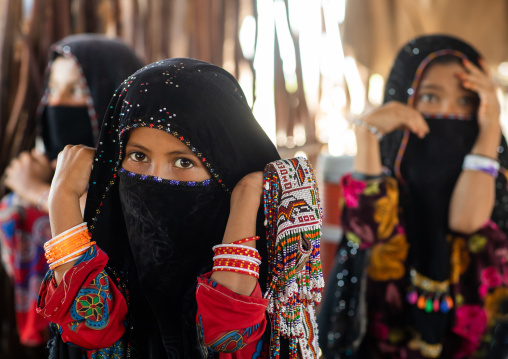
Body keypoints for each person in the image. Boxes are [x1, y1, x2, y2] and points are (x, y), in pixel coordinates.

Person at [36, 58, 323, 358]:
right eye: (138, 156)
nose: (155, 178)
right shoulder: (114, 258)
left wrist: (247, 195)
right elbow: (91, 327)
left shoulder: (265, 272)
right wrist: (62, 195)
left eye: (184, 162)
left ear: (224, 170)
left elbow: (227, 338)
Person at [318, 35, 508, 358]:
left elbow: (466, 219)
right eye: (431, 97)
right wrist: (367, 136)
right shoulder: (387, 175)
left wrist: (490, 129)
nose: (448, 111)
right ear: (404, 97)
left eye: (466, 101)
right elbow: (368, 231)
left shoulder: (497, 181)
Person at [0, 34, 143, 351]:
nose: (57, 104)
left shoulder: (144, 173)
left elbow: (107, 228)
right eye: (52, 89)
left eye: (77, 90)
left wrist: (41, 192)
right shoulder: (40, 176)